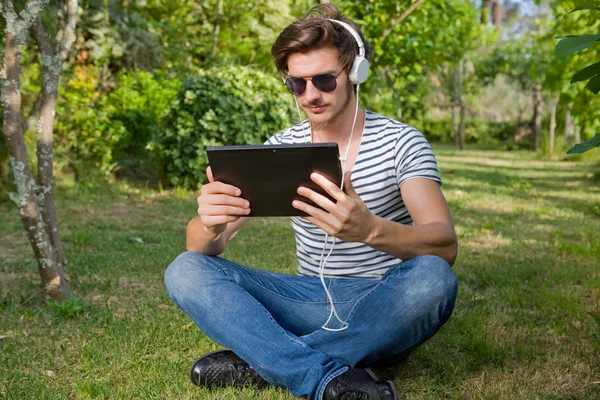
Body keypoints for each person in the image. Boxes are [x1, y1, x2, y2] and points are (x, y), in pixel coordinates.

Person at [164, 4, 458, 400]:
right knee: (184, 270)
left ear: (355, 73)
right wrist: (209, 224)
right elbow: (201, 248)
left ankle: (267, 362)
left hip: (385, 302)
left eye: (323, 79)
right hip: (307, 300)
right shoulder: (281, 147)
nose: (311, 95)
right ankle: (323, 375)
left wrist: (370, 230)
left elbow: (444, 244)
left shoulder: (401, 142)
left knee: (433, 279)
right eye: (297, 84)